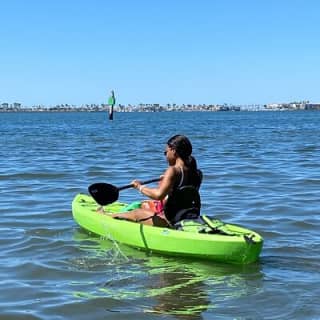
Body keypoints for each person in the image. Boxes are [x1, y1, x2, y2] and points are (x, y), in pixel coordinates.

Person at [111, 134, 202, 227]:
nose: (165, 156)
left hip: (170, 221)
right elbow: (182, 195)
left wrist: (139, 187)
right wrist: (168, 181)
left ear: (173, 150)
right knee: (145, 205)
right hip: (189, 217)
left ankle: (107, 216)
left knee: (136, 213)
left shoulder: (173, 170)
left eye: (165, 152)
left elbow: (158, 195)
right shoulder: (197, 173)